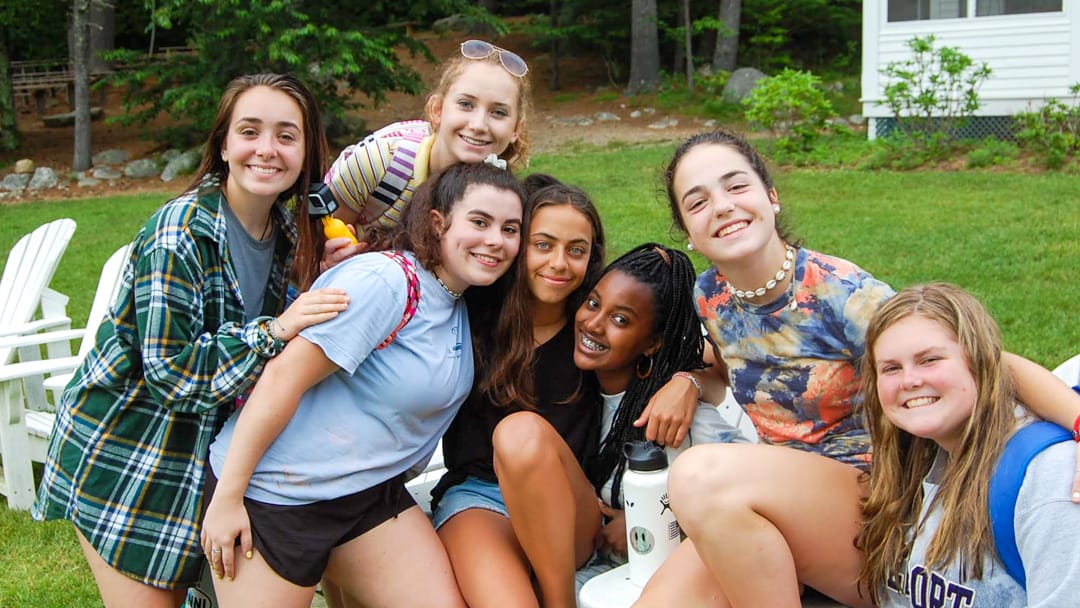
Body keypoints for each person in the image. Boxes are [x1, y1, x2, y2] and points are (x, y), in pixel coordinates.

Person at [632, 129, 1080, 608]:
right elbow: (738, 369)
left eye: (736, 186)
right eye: (697, 202)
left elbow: (985, 363)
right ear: (689, 234)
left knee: (701, 477)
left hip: (876, 502)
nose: (722, 206)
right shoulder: (711, 296)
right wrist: (689, 380)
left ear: (772, 198)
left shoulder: (841, 293)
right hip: (772, 494)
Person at [31, 73, 350, 608]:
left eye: (286, 136)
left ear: (306, 152)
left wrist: (311, 280)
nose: (266, 149)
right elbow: (170, 373)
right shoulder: (179, 232)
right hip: (128, 454)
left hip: (197, 461)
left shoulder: (284, 232)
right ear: (224, 145)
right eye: (250, 131)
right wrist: (277, 328)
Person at [199, 162, 524, 608]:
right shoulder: (385, 282)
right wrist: (227, 498)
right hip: (274, 496)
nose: (495, 240)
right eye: (480, 222)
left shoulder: (459, 301)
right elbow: (281, 378)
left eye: (510, 229)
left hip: (364, 496)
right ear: (438, 222)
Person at [483, 243, 755, 608]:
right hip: (571, 545)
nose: (593, 324)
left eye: (620, 319)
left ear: (653, 342)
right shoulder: (574, 373)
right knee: (518, 433)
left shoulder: (675, 416)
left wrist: (650, 523)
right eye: (593, 303)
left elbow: (747, 500)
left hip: (650, 576)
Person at [430, 174, 606, 608]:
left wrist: (689, 379)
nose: (560, 263)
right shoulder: (470, 314)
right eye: (543, 245)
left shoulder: (596, 329)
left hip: (567, 504)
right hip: (479, 497)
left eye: (576, 250)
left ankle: (559, 601)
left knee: (521, 433)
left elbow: (675, 334)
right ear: (517, 245)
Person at [858, 283, 1080, 606]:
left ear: (980, 361)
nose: (909, 381)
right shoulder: (914, 463)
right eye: (891, 368)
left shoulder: (1049, 483)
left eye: (929, 360)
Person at [322, 38, 532, 263]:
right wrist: (326, 262)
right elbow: (306, 244)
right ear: (437, 110)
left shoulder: (504, 198)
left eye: (498, 112)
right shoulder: (383, 161)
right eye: (466, 104)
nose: (479, 125)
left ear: (516, 130)